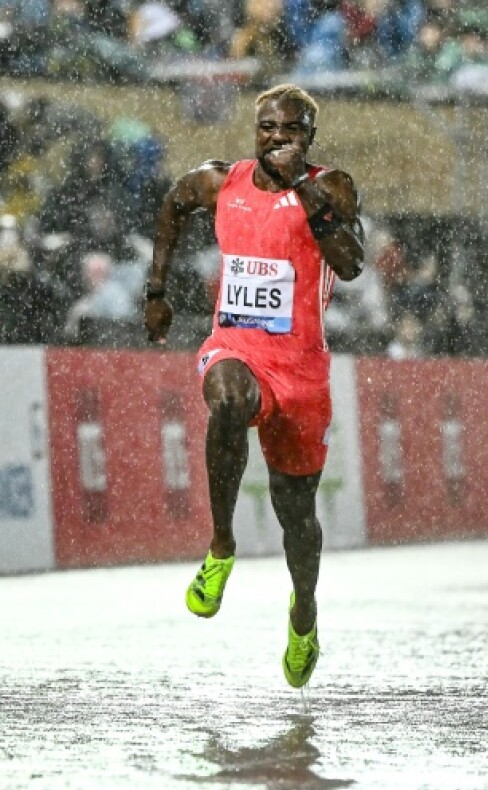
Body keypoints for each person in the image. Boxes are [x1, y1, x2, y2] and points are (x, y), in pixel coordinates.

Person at [143, 83, 364, 689]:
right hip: (235, 347)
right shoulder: (222, 181)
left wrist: (305, 190)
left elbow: (349, 262)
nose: (276, 138)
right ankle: (220, 546)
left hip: (300, 371)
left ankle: (303, 613)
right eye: (267, 127)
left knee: (297, 516)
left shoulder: (332, 186)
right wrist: (156, 289)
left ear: (309, 136)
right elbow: (171, 203)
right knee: (229, 399)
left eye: (289, 129)